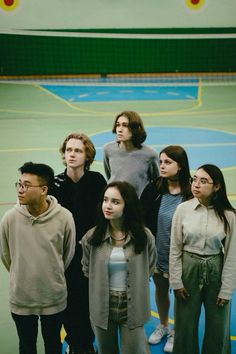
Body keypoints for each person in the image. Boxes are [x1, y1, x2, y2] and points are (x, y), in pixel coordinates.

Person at [0, 162, 76, 354]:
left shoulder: (64, 217)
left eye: (26, 185)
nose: (20, 189)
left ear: (43, 189)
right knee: (26, 346)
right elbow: (6, 255)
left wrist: (52, 273)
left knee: (53, 345)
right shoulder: (10, 218)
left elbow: (67, 254)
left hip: (54, 297)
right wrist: (22, 274)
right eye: (19, 184)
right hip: (22, 298)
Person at [81, 181, 157, 354]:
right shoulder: (92, 237)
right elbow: (86, 268)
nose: (108, 206)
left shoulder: (144, 237)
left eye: (115, 202)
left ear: (127, 206)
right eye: (106, 200)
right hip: (102, 305)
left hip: (133, 304)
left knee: (133, 350)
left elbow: (149, 267)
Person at [169, 164, 236, 354]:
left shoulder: (230, 216)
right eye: (194, 179)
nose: (196, 184)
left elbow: (232, 255)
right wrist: (176, 281)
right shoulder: (183, 209)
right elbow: (175, 248)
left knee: (219, 327)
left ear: (217, 187)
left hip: (217, 269)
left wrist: (226, 290)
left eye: (203, 181)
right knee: (184, 325)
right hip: (188, 268)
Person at [51, 133, 106, 354]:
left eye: (78, 150)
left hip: (91, 254)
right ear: (64, 154)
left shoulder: (96, 181)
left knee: (88, 302)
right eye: (69, 150)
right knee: (68, 302)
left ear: (87, 156)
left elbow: (104, 217)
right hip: (63, 255)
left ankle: (85, 344)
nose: (72, 154)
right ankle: (76, 343)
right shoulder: (55, 183)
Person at [140, 145, 193, 353]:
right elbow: (142, 217)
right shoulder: (153, 188)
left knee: (181, 293)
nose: (162, 166)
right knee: (161, 290)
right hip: (159, 252)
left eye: (167, 162)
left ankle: (176, 331)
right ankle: (163, 325)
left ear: (180, 166)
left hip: (183, 255)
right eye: (160, 162)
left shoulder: (191, 191)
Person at [103, 110, 159, 197]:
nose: (120, 129)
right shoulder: (108, 149)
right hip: (114, 202)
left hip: (137, 204)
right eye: (118, 125)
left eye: (125, 125)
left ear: (135, 128)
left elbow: (156, 182)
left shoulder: (150, 154)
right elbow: (109, 174)